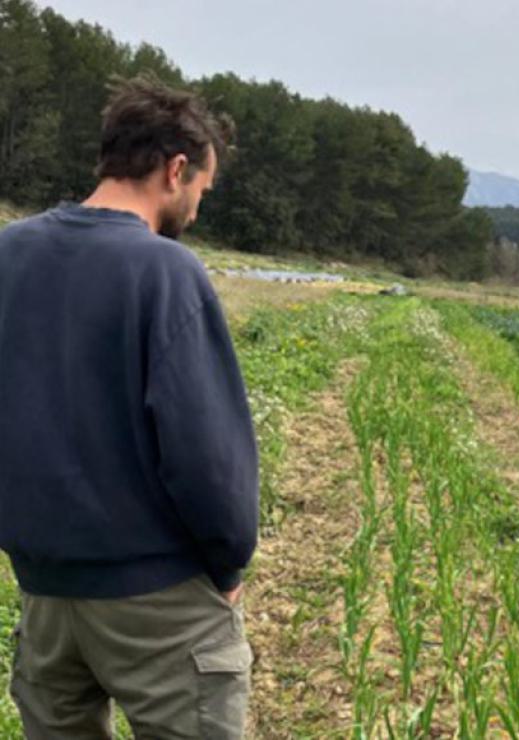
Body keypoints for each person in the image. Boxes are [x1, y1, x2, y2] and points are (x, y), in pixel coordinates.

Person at [0, 75, 259, 738]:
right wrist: (229, 563)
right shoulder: (165, 271)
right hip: (159, 599)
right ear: (175, 169)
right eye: (202, 189)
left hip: (44, 590)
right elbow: (205, 455)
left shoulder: (8, 254)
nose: (196, 210)